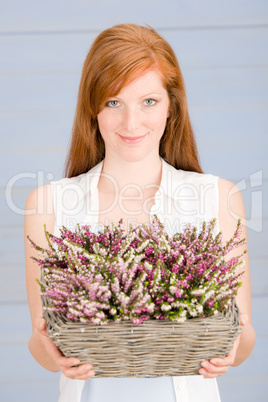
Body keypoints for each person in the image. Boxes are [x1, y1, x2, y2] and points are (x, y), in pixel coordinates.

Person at [25, 23, 256, 402]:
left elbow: (243, 338)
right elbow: (41, 343)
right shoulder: (47, 205)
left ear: (171, 107)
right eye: (114, 102)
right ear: (93, 108)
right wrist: (47, 348)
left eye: (148, 101)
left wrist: (231, 347)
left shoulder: (218, 196)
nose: (131, 123)